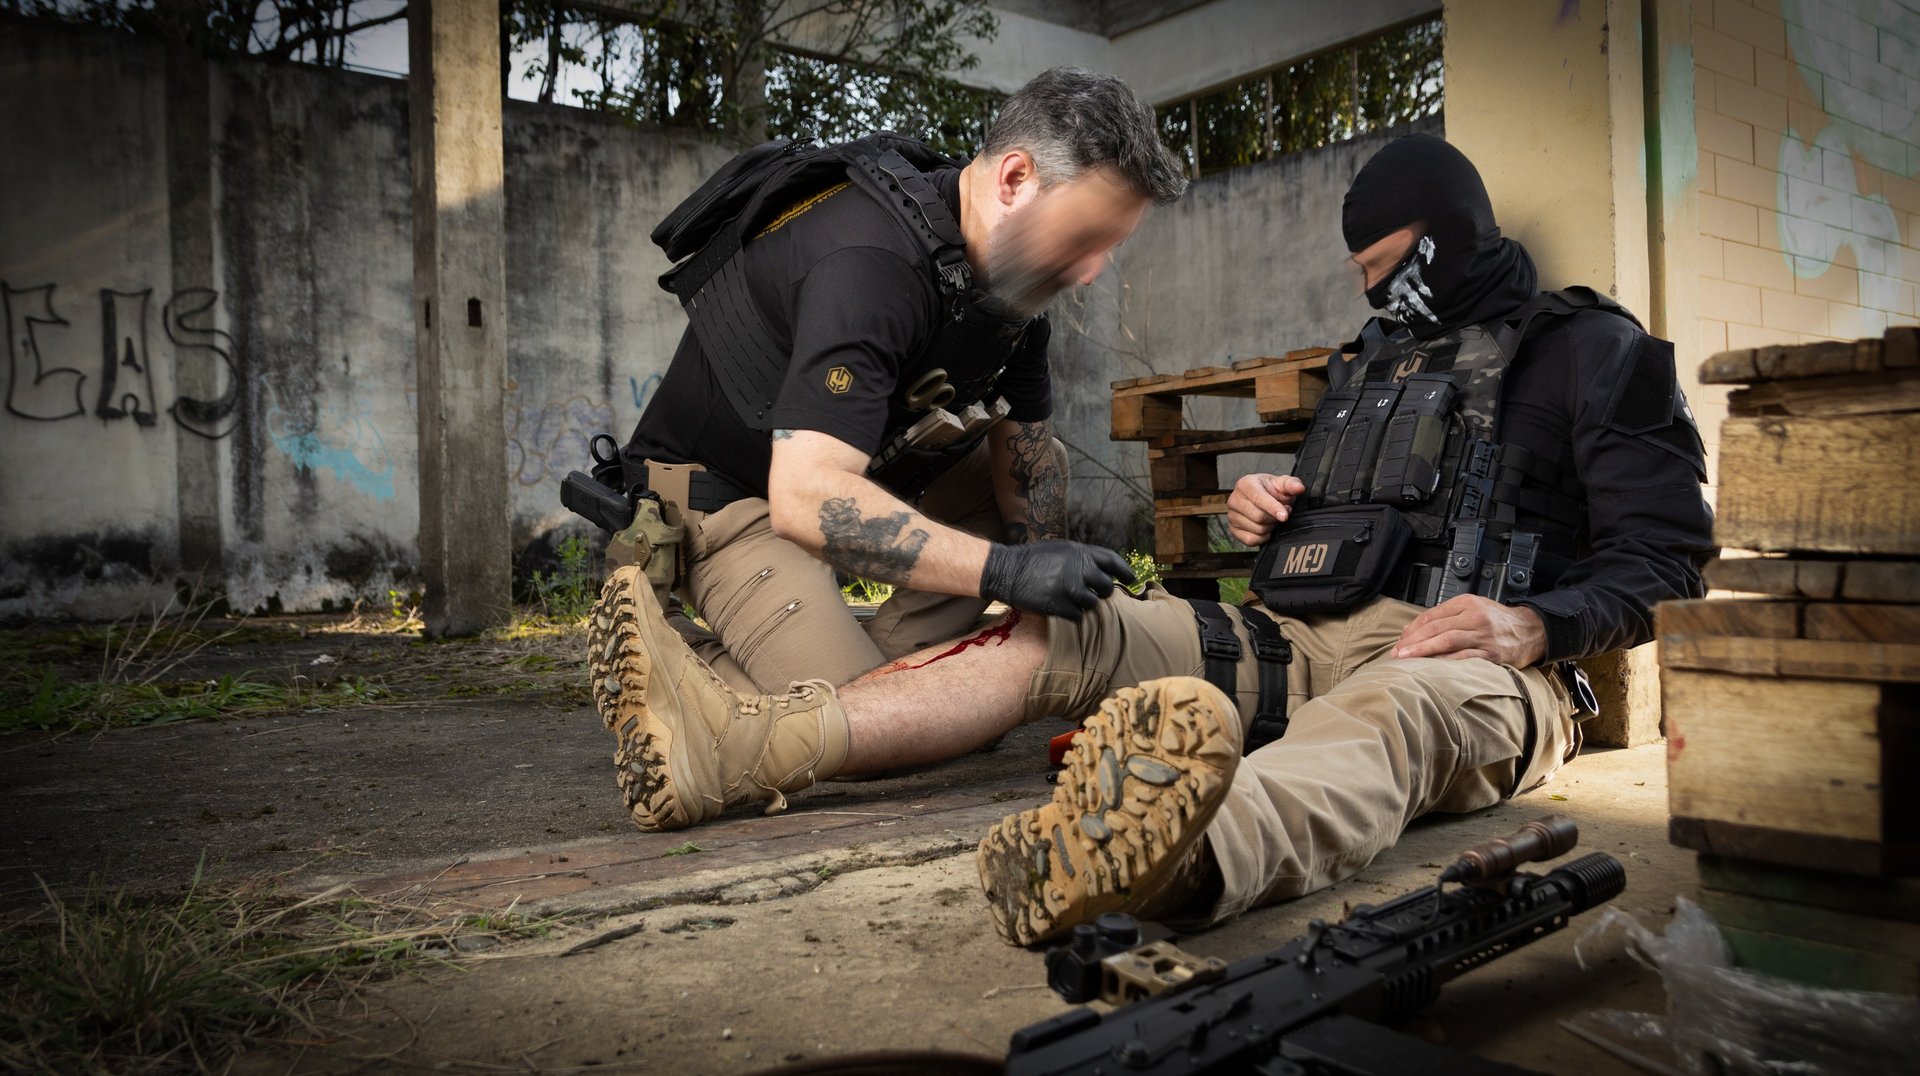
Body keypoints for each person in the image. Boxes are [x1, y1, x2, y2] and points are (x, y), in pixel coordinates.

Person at [589, 133, 1714, 946]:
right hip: (1297, 638)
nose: (1376, 291)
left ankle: (1179, 858)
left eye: (1388, 263)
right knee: (1061, 629)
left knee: (1390, 716)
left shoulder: (1596, 351)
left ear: (1454, 233)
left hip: (1482, 671)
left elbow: (1669, 561)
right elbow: (1361, 519)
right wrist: (1268, 511)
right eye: (1365, 273)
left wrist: (1532, 625)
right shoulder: (1371, 362)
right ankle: (739, 747)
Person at [603, 65, 1187, 732]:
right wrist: (1004, 572)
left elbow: (1027, 467)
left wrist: (1048, 606)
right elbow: (806, 498)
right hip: (728, 494)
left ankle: (883, 667)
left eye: (1107, 249)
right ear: (1015, 178)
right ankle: (651, 654)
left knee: (918, 704)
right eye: (1084, 239)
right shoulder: (869, 265)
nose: (1089, 273)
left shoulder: (1011, 301)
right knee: (853, 728)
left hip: (847, 470)